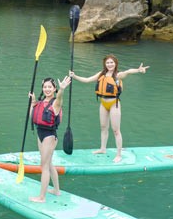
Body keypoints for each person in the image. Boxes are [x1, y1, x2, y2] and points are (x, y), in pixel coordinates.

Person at [70, 55, 149, 163]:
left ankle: (119, 154)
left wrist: (138, 70)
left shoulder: (118, 75)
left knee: (116, 130)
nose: (110, 64)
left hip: (114, 103)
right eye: (108, 63)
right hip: (103, 103)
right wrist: (74, 76)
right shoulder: (101, 74)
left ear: (115, 63)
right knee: (103, 127)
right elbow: (87, 80)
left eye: (112, 62)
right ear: (105, 64)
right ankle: (103, 149)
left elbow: (128, 72)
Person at [29, 75, 72, 203]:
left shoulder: (56, 103)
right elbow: (33, 115)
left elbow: (60, 98)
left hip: (49, 136)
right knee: (49, 163)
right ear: (42, 88)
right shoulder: (40, 102)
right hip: (40, 133)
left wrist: (62, 89)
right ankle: (56, 190)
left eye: (50, 87)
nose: (47, 89)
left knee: (44, 166)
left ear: (54, 89)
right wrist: (33, 101)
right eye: (45, 87)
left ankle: (41, 197)